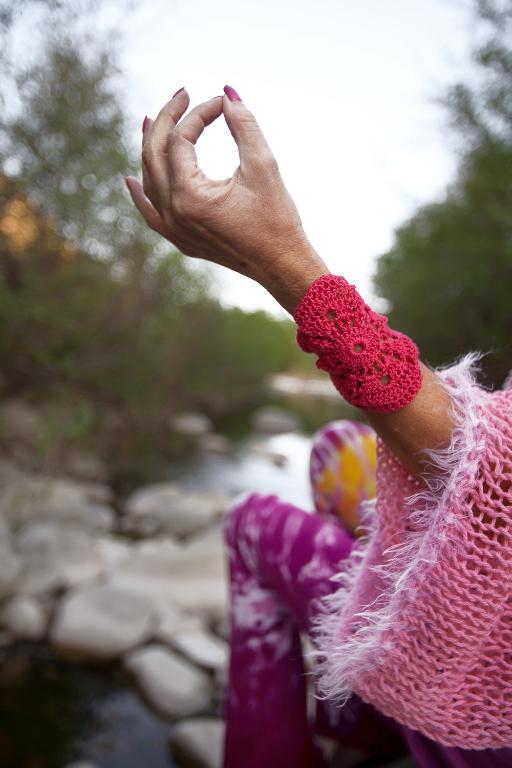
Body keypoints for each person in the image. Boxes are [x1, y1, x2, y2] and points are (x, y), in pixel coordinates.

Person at [126, 86, 512, 768]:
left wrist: (285, 263)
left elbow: (493, 488)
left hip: (493, 723)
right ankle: (360, 718)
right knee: (337, 450)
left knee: (251, 522)